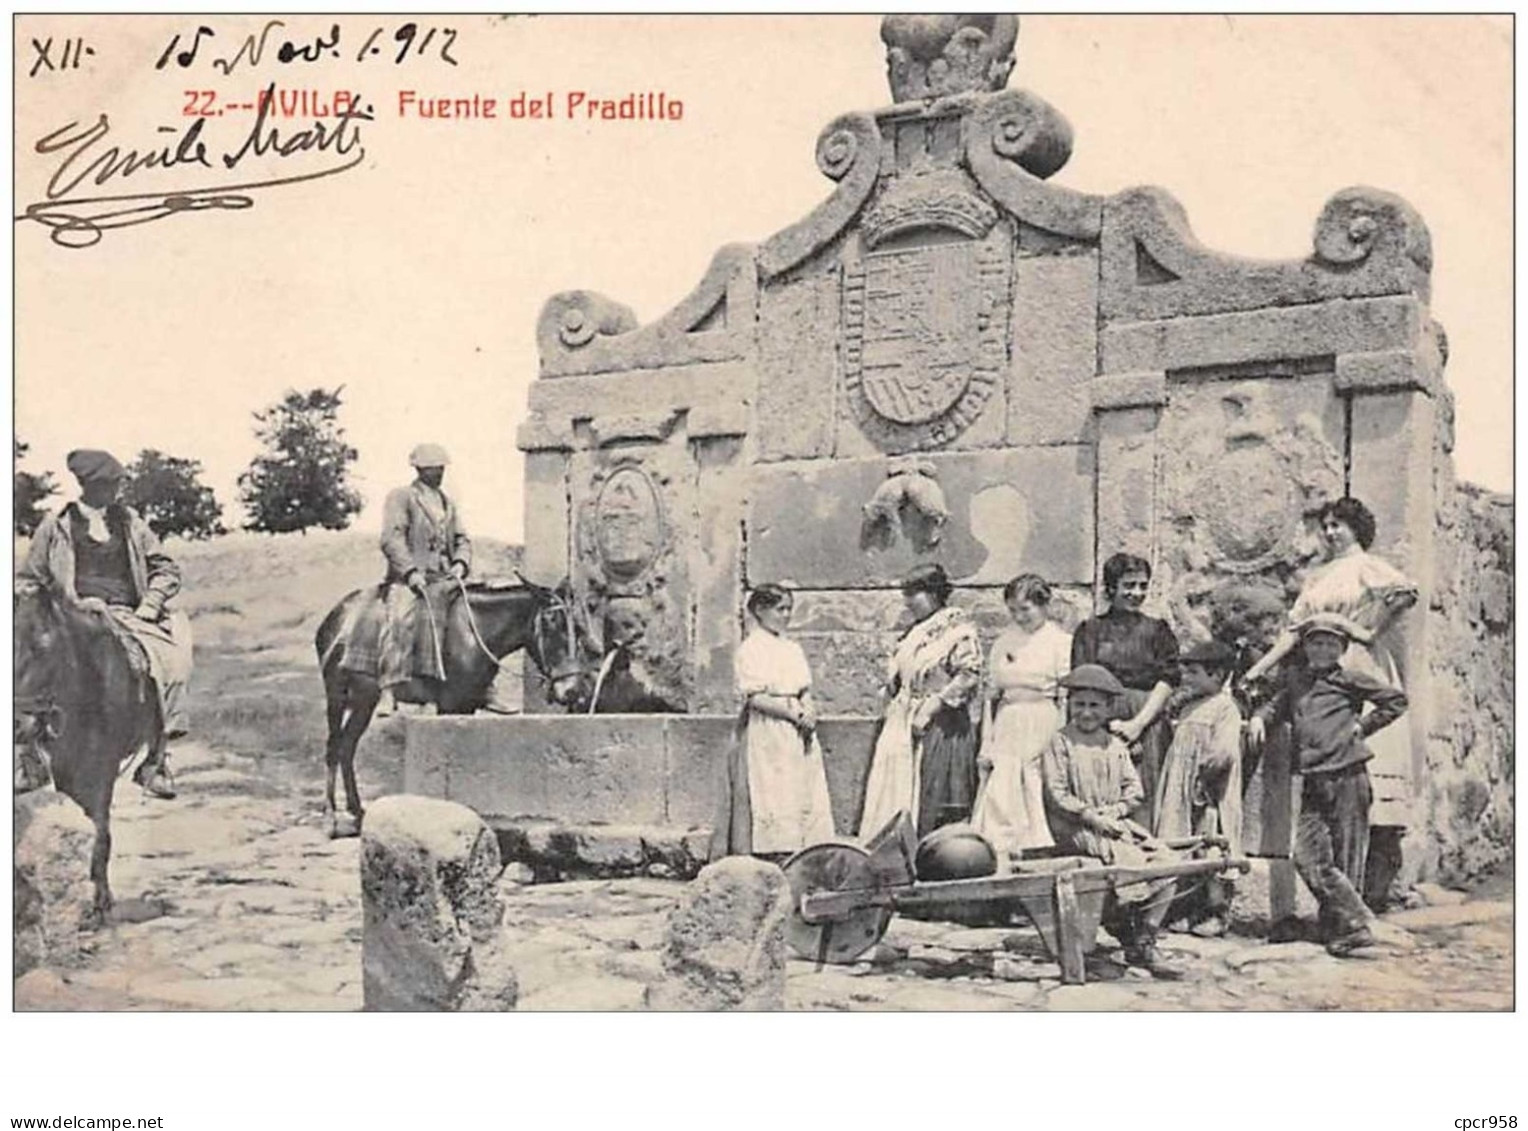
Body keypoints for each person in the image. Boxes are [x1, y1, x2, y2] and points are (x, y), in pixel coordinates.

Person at [1240, 496, 1418, 910]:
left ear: (1357, 528)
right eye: (1327, 526)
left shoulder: (1365, 565)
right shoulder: (1318, 576)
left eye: (1339, 525)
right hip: (1317, 664)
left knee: (1362, 770)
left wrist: (1365, 631)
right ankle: (1340, 902)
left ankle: (1369, 894)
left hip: (1357, 664)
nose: (1332, 532)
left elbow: (1405, 594)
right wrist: (1259, 669)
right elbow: (1294, 631)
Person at [21, 449, 193, 799]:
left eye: (117, 484)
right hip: (71, 615)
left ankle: (155, 760)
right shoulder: (56, 527)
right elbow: (29, 579)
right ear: (88, 485)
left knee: (171, 665)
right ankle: (30, 760)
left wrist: (151, 604)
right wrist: (60, 604)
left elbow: (165, 568)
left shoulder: (131, 523)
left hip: (129, 615)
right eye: (109, 484)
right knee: (29, 669)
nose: (115, 490)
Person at [1247, 613, 1408, 956]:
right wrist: (1259, 719)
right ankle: (1357, 921)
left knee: (1347, 857)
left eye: (1330, 644)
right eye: (1316, 643)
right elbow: (1275, 706)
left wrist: (1363, 726)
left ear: (1341, 649)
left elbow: (1395, 701)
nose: (1322, 649)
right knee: (1307, 856)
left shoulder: (1350, 679)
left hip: (1349, 775)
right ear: (1305, 648)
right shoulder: (1294, 680)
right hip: (1314, 779)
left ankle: (1343, 930)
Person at [1040, 664, 1183, 979]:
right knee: (1129, 862)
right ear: (1069, 706)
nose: (1086, 713)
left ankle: (1145, 934)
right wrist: (1092, 817)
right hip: (1075, 825)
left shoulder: (1115, 745)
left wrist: (1114, 813)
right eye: (1080, 705)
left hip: (1113, 822)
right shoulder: (1060, 743)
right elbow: (1057, 794)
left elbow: (1134, 792)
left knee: (1166, 861)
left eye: (1094, 706)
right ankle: (1128, 930)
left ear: (1107, 709)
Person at [710, 585, 835, 859]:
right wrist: (792, 715)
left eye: (789, 609)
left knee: (801, 787)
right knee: (772, 787)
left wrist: (808, 710)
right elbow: (754, 698)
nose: (786, 615)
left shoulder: (792, 648)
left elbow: (804, 688)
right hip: (769, 727)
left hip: (799, 728)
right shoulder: (751, 649)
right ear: (760, 611)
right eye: (780, 609)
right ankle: (775, 850)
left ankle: (804, 848)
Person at [860, 564, 983, 840]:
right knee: (896, 789)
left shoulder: (958, 631)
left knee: (931, 791)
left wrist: (933, 706)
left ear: (933, 594)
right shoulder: (914, 632)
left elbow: (968, 675)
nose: (907, 601)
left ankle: (927, 847)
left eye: (913, 593)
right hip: (903, 718)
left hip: (940, 723)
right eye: (906, 593)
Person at [1070, 552, 1180, 828]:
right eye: (1129, 585)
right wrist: (1108, 721)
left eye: (1143, 585)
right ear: (1111, 587)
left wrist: (1137, 724)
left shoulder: (1158, 630)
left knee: (1144, 790)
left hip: (1147, 718)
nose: (1137, 592)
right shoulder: (1090, 630)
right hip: (1099, 719)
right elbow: (1083, 681)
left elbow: (1168, 680)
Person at [971, 573, 1070, 859]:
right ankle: (1002, 849)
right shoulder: (1004, 642)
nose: (1019, 617)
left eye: (1025, 609)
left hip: (1042, 718)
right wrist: (986, 741)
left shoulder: (1060, 642)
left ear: (1044, 605)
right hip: (1008, 720)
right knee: (1002, 781)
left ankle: (1038, 846)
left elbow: (1064, 697)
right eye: (1013, 610)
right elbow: (991, 698)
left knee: (1035, 778)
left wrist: (1059, 738)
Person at [375, 444, 472, 716]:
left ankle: (481, 687)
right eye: (432, 468)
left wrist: (461, 563)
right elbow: (391, 539)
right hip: (412, 580)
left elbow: (462, 539)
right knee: (401, 619)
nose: (438, 473)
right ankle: (390, 689)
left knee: (474, 618)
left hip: (443, 578)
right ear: (418, 469)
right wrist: (410, 572)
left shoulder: (447, 502)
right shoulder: (402, 497)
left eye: (441, 468)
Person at [1156, 639, 1244, 936]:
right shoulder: (1189, 705)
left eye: (1194, 672)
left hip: (1208, 789)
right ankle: (1185, 908)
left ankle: (1217, 912)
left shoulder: (1225, 708)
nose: (1186, 678)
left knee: (1210, 845)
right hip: (1180, 785)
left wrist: (1205, 781)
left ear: (1217, 675)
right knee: (1183, 842)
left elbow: (1224, 752)